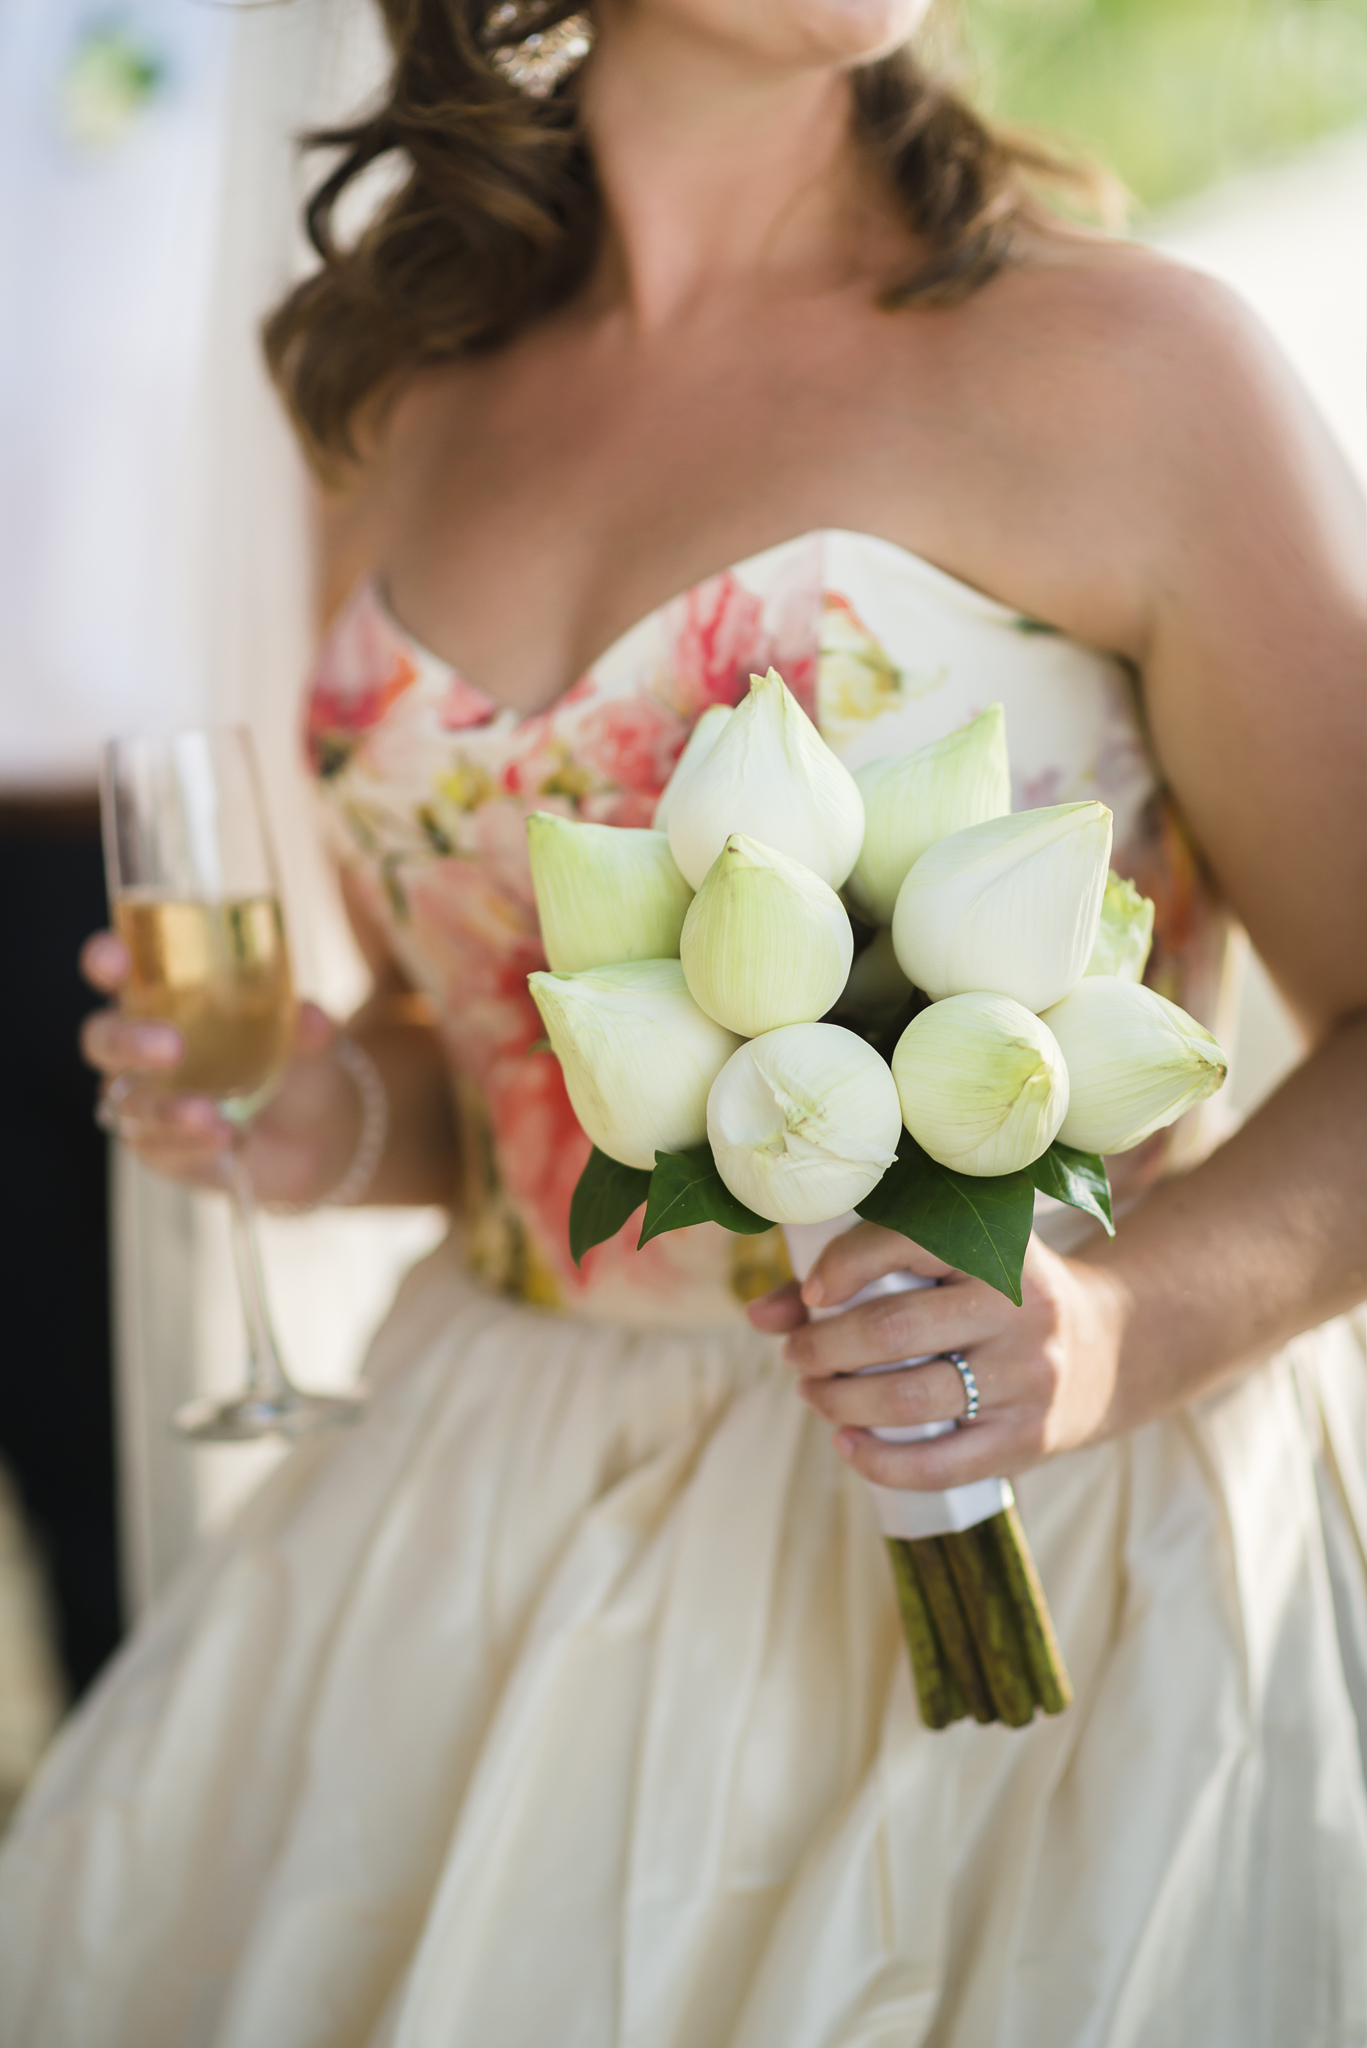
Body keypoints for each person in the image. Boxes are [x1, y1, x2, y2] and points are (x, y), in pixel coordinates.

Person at [3, 1, 1364, 2041]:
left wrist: (1101, 1333)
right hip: (479, 1538)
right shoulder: (386, 406)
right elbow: (496, 1079)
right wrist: (326, 1120)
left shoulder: (1134, 373)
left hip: (1036, 1534)